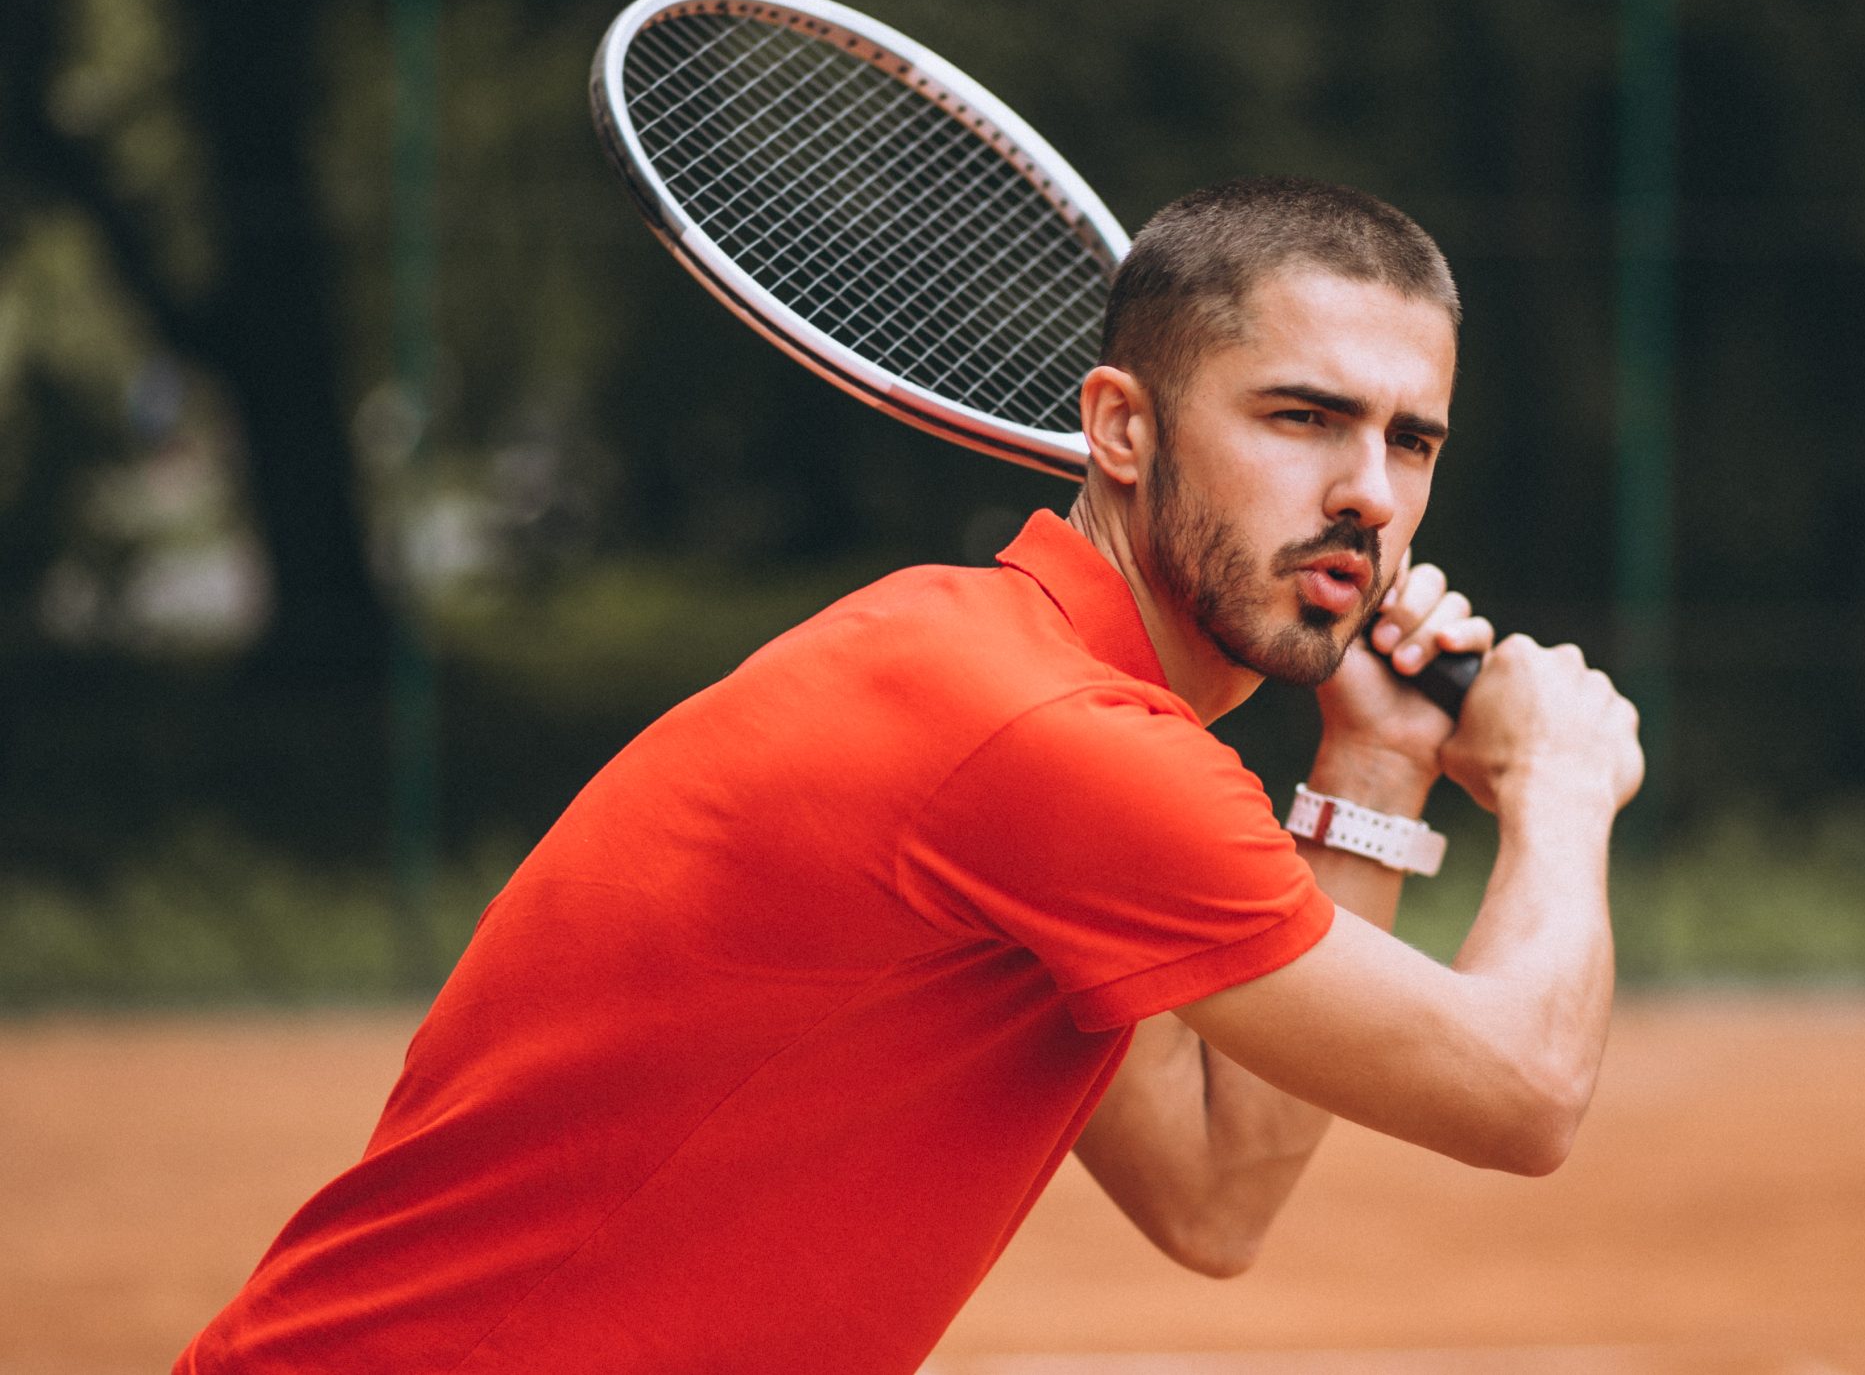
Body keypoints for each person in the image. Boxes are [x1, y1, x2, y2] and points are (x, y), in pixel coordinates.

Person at [177, 177, 1644, 1374]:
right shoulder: (1048, 741)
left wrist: (1378, 754)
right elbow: (1523, 1095)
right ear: (1123, 428)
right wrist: (1564, 787)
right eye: (1301, 416)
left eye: (1411, 440)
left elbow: (1218, 1194)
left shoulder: (1012, 699)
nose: (1369, 494)